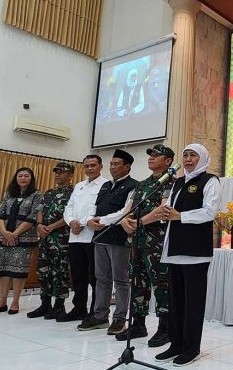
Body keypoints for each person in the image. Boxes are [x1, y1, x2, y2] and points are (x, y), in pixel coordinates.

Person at [154, 144, 221, 366]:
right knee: (176, 302)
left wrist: (179, 215)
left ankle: (191, 348)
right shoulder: (178, 182)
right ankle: (176, 344)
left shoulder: (210, 181)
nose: (188, 159)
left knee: (193, 303)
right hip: (174, 251)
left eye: (193, 155)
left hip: (195, 252)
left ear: (202, 158)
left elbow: (209, 212)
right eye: (185, 155)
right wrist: (165, 213)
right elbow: (170, 211)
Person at [117, 144, 176, 346]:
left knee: (161, 283)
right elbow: (129, 209)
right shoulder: (141, 185)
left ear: (168, 161)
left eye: (156, 155)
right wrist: (125, 221)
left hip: (157, 242)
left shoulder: (171, 183)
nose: (151, 157)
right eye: (150, 155)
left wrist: (140, 222)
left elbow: (163, 209)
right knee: (137, 282)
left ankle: (165, 327)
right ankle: (138, 324)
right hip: (137, 240)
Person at [78, 149, 138, 334]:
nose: (112, 167)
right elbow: (94, 208)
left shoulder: (133, 186)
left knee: (121, 280)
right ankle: (100, 316)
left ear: (127, 166)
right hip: (100, 238)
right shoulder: (105, 186)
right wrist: (89, 220)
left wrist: (101, 221)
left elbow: (125, 213)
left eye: (116, 164)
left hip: (119, 239)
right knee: (101, 279)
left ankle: (120, 318)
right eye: (111, 164)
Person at [58, 155, 108, 323]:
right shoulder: (79, 186)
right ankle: (79, 308)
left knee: (95, 277)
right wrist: (71, 221)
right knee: (77, 276)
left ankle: (95, 311)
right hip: (75, 236)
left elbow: (99, 209)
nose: (90, 168)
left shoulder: (106, 185)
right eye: (86, 166)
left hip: (93, 237)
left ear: (101, 166)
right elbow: (69, 208)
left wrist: (82, 222)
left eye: (93, 165)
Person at [0, 167, 43, 315]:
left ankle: (15, 302)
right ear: (15, 178)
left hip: (24, 238)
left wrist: (15, 233)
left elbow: (33, 217)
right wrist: (5, 232)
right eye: (20, 176)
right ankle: (2, 302)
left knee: (18, 271)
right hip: (4, 237)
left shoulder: (37, 195)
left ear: (31, 179)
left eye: (26, 176)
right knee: (4, 270)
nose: (23, 178)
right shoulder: (8, 194)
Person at [27, 162, 75, 320]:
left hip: (61, 239)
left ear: (70, 175)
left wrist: (51, 227)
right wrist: (40, 224)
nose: (58, 175)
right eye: (56, 172)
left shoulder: (74, 193)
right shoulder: (49, 192)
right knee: (43, 271)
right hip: (45, 238)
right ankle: (44, 304)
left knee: (60, 272)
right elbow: (39, 210)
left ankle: (59, 306)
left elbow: (70, 215)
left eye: (62, 172)